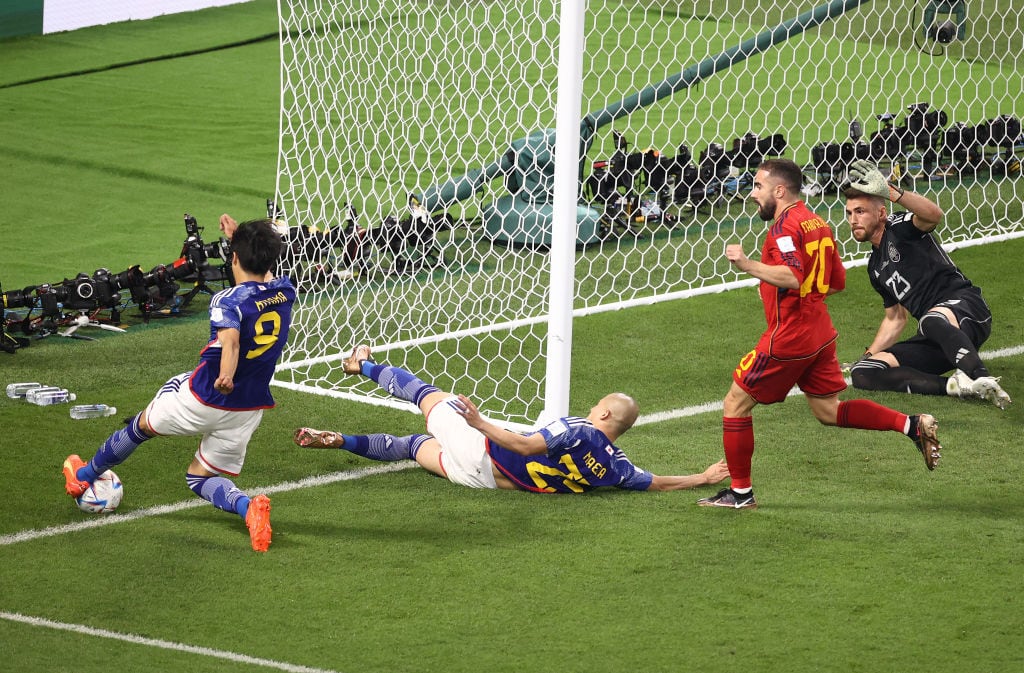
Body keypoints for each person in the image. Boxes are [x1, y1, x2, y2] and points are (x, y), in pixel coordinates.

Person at [698, 158, 942, 510]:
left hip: (790, 338)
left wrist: (748, 264)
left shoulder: (783, 228)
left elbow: (794, 276)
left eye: (757, 186)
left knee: (735, 405)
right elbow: (836, 282)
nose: (752, 195)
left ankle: (740, 494)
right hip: (820, 332)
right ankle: (911, 424)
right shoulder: (817, 222)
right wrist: (773, 288)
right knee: (829, 411)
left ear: (779, 190)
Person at [63, 216, 296, 552]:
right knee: (198, 477)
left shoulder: (226, 301)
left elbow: (230, 341)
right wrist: (241, 241)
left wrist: (226, 374)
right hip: (249, 408)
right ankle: (250, 509)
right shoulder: (284, 292)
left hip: (206, 396)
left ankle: (82, 477)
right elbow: (262, 277)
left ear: (233, 259)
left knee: (143, 424)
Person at [293, 344, 731, 493]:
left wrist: (478, 421)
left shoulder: (578, 429)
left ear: (603, 413)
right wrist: (702, 477)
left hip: (483, 448)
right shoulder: (617, 467)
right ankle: (344, 439)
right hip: (480, 481)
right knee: (411, 448)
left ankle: (361, 365)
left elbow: (522, 445)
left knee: (428, 397)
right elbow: (654, 482)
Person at [842, 159, 1011, 409]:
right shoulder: (874, 268)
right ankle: (958, 387)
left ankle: (981, 376)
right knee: (865, 373)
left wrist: (892, 192)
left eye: (860, 211)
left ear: (881, 213)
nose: (853, 220)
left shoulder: (898, 227)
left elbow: (933, 215)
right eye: (849, 213)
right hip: (936, 335)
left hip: (967, 308)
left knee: (931, 320)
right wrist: (867, 356)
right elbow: (895, 319)